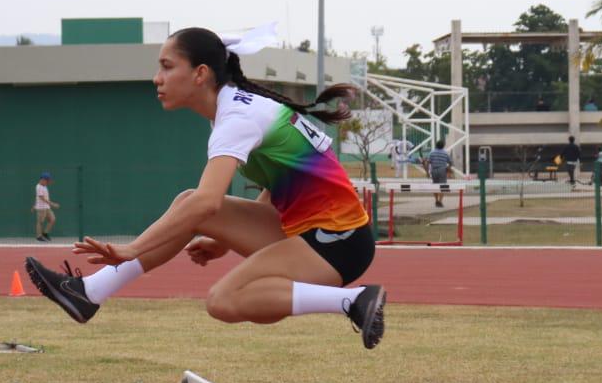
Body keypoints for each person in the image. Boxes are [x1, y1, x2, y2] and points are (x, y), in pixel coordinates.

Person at [23, 24, 386, 349]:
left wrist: (134, 248)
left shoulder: (236, 118)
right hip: (321, 230)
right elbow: (279, 184)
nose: (157, 78)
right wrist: (222, 238)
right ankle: (90, 293)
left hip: (337, 242)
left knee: (224, 299)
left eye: (167, 66)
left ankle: (354, 301)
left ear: (200, 74)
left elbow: (207, 204)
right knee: (188, 203)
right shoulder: (236, 110)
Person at [423, 139, 453, 207]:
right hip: (442, 170)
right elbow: (451, 162)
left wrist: (427, 172)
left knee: (435, 186)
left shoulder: (432, 153)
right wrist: (448, 168)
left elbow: (427, 163)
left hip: (434, 170)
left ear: (436, 145)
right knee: (442, 186)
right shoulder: (445, 153)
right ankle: (440, 201)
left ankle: (436, 200)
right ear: (443, 146)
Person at [32, 172, 58, 241]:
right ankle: (39, 236)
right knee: (40, 222)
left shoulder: (45, 186)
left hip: (47, 207)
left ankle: (45, 233)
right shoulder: (38, 187)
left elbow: (37, 197)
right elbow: (42, 198)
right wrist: (53, 204)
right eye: (47, 180)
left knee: (52, 219)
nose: (48, 182)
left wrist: (34, 205)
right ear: (43, 179)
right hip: (41, 208)